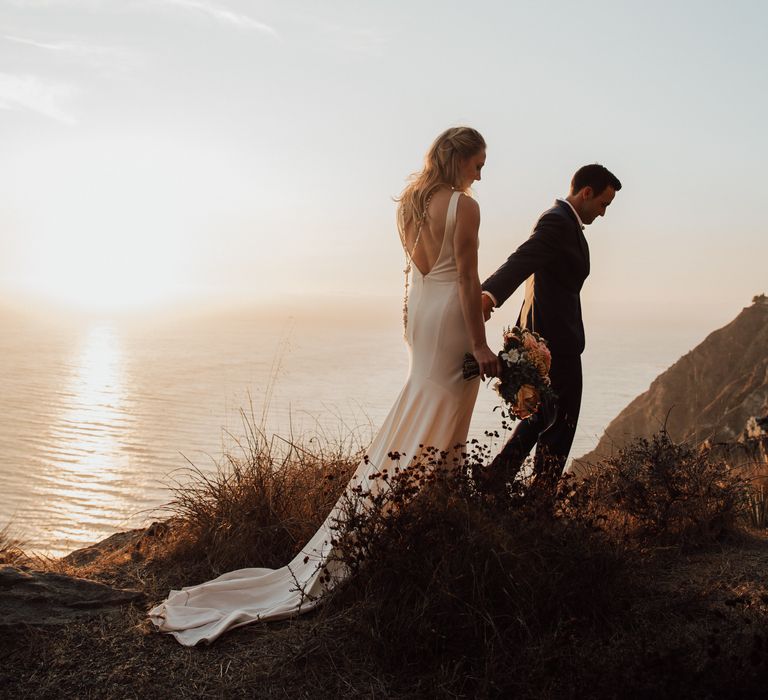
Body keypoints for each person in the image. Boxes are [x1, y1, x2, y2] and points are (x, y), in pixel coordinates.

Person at [149, 126, 501, 646]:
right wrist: (481, 344)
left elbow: (420, 269)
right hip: (451, 316)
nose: (482, 172)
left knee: (424, 399)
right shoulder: (464, 208)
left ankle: (416, 503)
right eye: (479, 161)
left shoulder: (409, 202)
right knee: (448, 406)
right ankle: (433, 511)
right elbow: (468, 278)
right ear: (460, 157)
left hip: (423, 317)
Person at [478, 164, 621, 493]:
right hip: (555, 343)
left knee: (542, 416)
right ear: (586, 192)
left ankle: (494, 478)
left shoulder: (566, 223)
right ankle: (539, 503)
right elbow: (522, 259)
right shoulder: (557, 221)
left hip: (547, 338)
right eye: (603, 204)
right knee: (562, 423)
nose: (603, 213)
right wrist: (488, 296)